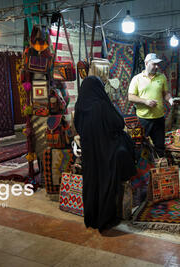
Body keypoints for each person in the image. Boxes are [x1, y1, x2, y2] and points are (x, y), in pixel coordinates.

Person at [74, 76, 136, 232]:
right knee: (105, 183)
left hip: (89, 154)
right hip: (106, 152)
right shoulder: (102, 105)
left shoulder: (80, 106)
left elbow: (78, 128)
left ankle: (92, 218)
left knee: (91, 183)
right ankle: (105, 219)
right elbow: (119, 123)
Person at [128, 53, 174, 157]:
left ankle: (159, 169)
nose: (157, 67)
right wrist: (145, 101)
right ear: (146, 63)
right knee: (141, 146)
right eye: (154, 64)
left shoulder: (162, 77)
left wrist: (170, 99)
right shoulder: (137, 79)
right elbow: (130, 97)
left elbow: (165, 93)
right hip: (143, 119)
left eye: (157, 64)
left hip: (159, 118)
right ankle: (145, 171)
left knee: (160, 146)